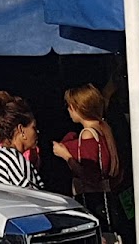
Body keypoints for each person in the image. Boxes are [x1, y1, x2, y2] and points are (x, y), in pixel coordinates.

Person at [53, 84, 123, 228]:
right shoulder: (103, 129)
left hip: (92, 200)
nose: (68, 110)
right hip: (105, 197)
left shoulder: (88, 134)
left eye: (69, 106)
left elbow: (89, 175)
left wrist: (66, 156)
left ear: (78, 108)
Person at [0, 96, 43, 189]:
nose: (37, 132)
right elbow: (32, 196)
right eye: (34, 127)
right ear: (21, 130)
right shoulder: (15, 162)